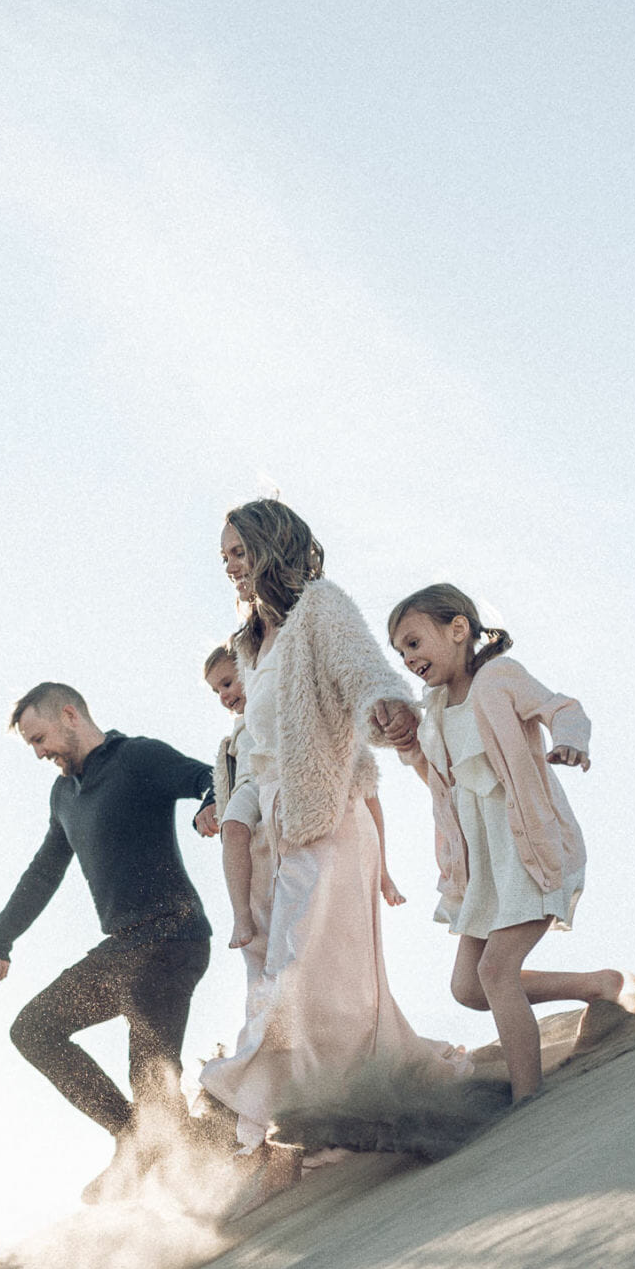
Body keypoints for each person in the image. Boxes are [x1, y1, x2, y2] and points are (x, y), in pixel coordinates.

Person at [194, 499, 467, 1205]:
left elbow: (361, 669)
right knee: (282, 977)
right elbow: (254, 746)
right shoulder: (250, 644)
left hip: (328, 816)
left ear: (269, 544)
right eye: (221, 552)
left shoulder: (320, 608)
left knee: (305, 973)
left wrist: (387, 703)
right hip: (273, 829)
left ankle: (255, 1118)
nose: (227, 561)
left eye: (236, 548)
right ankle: (284, 1135)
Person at [385, 583, 635, 1103]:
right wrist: (412, 751)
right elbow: (446, 788)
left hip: (528, 852)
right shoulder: (438, 710)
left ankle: (527, 1101)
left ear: (459, 629)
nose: (408, 659)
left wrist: (571, 742)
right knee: (469, 988)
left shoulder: (499, 679)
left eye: (415, 643)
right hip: (483, 868)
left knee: (496, 971)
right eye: (400, 652)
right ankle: (599, 985)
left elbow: (563, 708)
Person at [0, 683, 221, 1201]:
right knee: (35, 1029)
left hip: (171, 938)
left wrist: (212, 803)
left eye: (40, 738)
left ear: (69, 714)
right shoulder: (65, 794)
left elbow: (208, 776)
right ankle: (138, 1138)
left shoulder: (138, 758)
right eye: (31, 745)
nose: (39, 752)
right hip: (123, 949)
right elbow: (42, 874)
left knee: (152, 1085)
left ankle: (220, 1163)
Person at [204, 643, 403, 966]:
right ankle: (241, 914)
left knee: (367, 789)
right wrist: (211, 802)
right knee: (233, 828)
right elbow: (221, 776)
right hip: (249, 786)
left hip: (285, 776)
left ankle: (383, 873)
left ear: (250, 670)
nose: (224, 696)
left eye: (227, 683)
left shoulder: (280, 700)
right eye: (217, 692)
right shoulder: (235, 731)